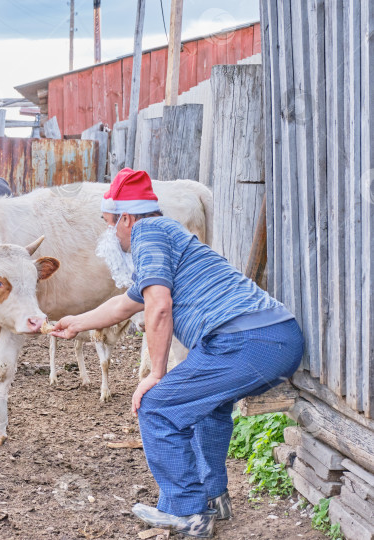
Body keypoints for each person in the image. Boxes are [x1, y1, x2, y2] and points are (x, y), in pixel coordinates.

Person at [50, 168, 304, 538]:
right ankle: (213, 497)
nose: (110, 234)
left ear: (126, 218)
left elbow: (159, 307)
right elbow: (127, 304)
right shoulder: (168, 236)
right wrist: (77, 322)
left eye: (108, 224)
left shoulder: (147, 233)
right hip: (274, 336)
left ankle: (188, 512)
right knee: (207, 407)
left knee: (157, 406)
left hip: (245, 340)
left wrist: (155, 374)